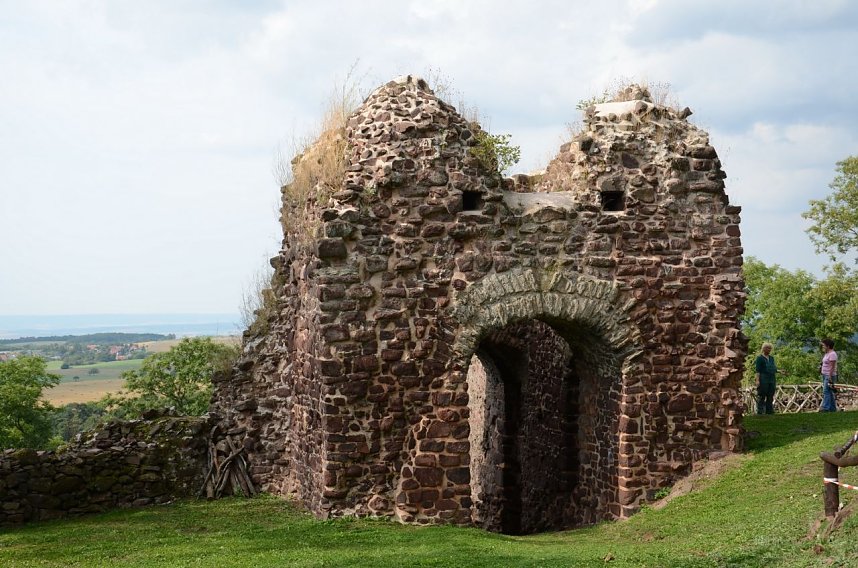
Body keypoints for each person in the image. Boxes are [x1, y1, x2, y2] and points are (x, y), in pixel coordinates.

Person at [755, 342, 787, 415]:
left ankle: (769, 411)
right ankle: (760, 411)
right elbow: (758, 370)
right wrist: (757, 380)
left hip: (771, 378)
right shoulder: (760, 358)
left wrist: (779, 371)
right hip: (763, 378)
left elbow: (773, 368)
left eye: (770, 348)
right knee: (762, 395)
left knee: (770, 395)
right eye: (767, 348)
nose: (769, 350)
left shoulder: (771, 358)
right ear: (763, 349)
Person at [819, 338, 839, 412]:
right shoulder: (827, 353)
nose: (822, 347)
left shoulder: (832, 354)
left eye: (824, 345)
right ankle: (833, 408)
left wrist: (830, 377)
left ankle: (825, 408)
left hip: (829, 375)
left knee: (826, 391)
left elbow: (832, 367)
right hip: (825, 374)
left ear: (828, 346)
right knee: (829, 392)